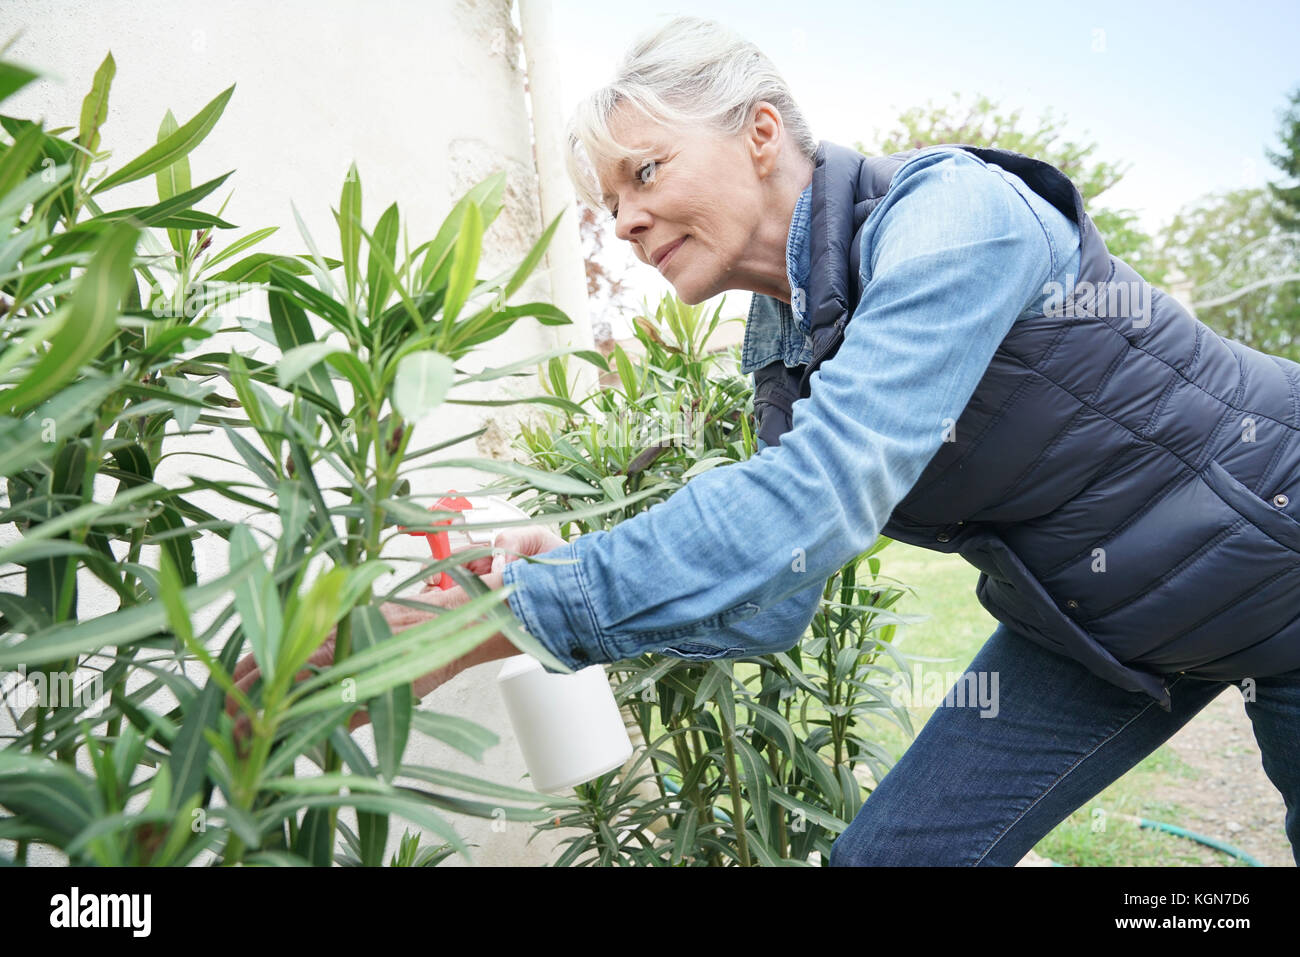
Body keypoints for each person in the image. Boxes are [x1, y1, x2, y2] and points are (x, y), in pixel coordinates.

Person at [231, 16, 1300, 866]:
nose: (626, 226)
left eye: (642, 175)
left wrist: (486, 617)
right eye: (607, 208)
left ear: (757, 131)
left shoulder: (954, 215)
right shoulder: (785, 355)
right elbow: (772, 598)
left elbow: (819, 491)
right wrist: (555, 565)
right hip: (1097, 629)